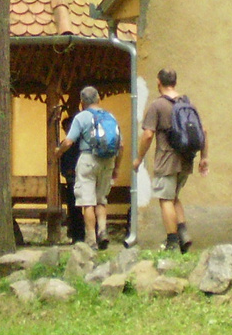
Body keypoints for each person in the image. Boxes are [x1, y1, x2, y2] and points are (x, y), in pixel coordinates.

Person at [133, 68, 208, 253]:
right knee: (174, 197)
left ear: (159, 82)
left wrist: (139, 158)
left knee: (165, 199)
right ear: (175, 81)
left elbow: (148, 135)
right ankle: (183, 234)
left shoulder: (157, 105)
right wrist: (204, 157)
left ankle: (172, 241)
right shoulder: (187, 104)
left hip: (166, 160)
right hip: (186, 159)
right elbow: (203, 132)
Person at [56, 85, 120, 251]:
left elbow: (69, 141)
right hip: (108, 160)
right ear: (99, 98)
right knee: (101, 200)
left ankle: (91, 239)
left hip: (88, 159)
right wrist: (116, 167)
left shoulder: (81, 117)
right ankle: (103, 231)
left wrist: (58, 151)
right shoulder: (110, 117)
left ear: (82, 102)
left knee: (88, 202)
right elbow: (122, 144)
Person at [57, 109, 86, 243]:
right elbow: (61, 165)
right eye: (65, 128)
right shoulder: (65, 144)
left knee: (82, 207)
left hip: (81, 178)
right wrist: (66, 173)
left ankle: (81, 234)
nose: (67, 130)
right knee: (74, 209)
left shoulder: (79, 144)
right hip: (72, 180)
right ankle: (76, 235)